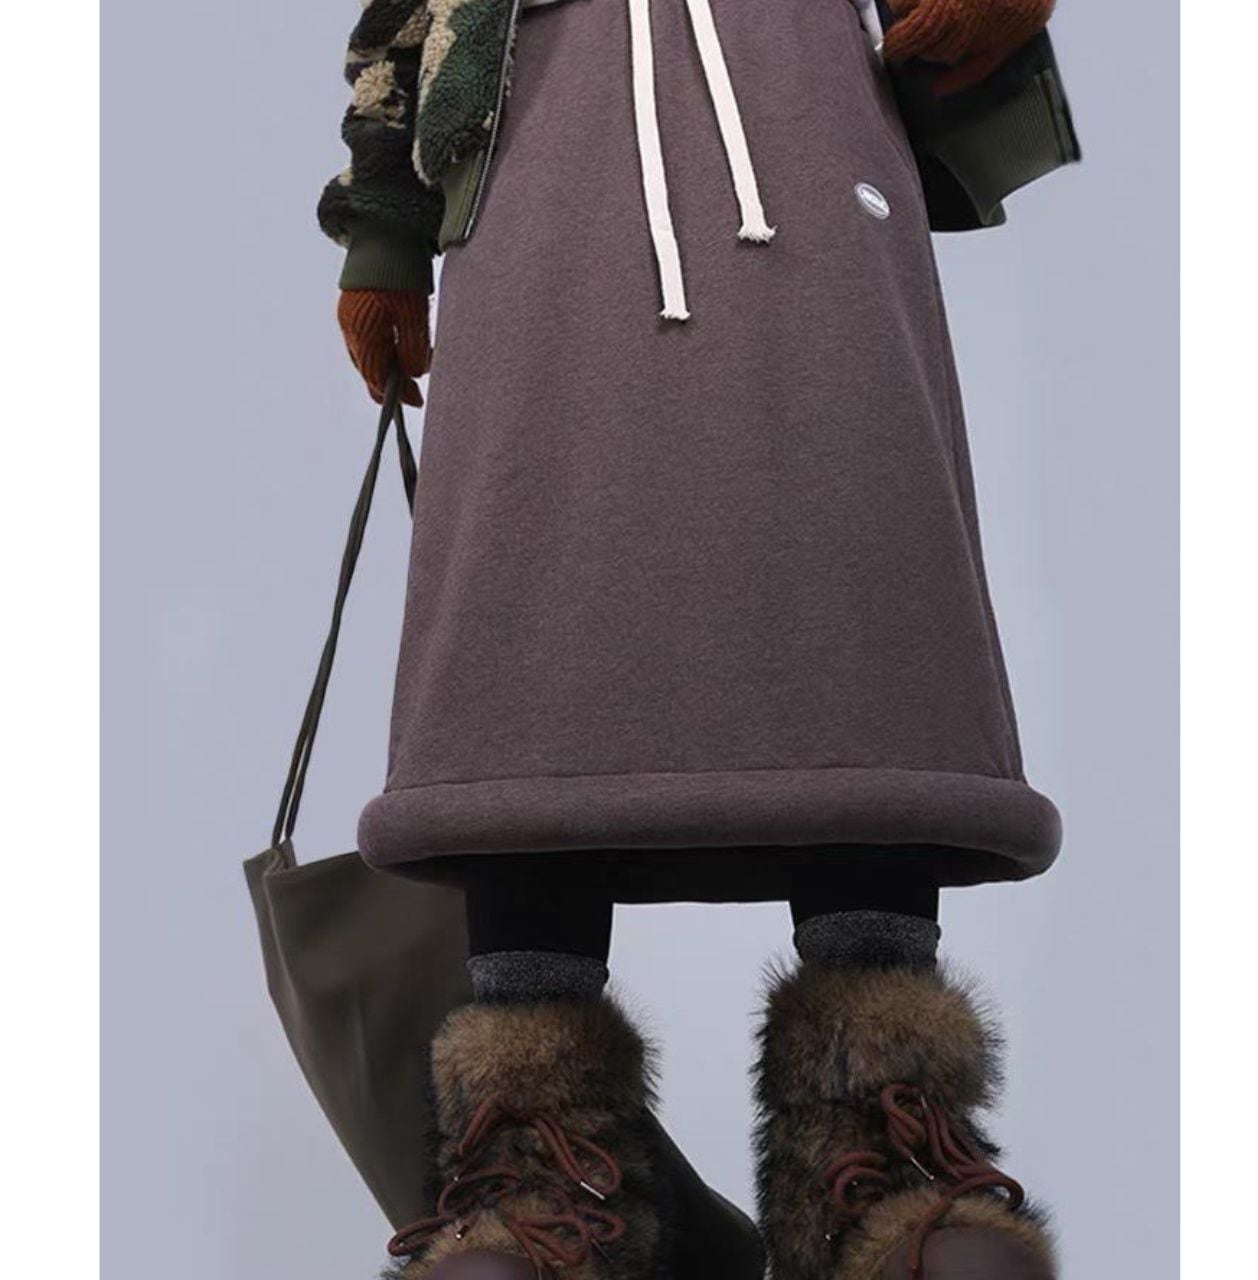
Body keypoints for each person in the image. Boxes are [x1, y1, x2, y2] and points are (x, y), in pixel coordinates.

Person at [316, 1, 1079, 1277]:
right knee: (535, 614)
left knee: (850, 582)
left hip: (807, 135)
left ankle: (877, 1148)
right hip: (535, 166)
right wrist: (383, 226)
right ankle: (537, 1163)